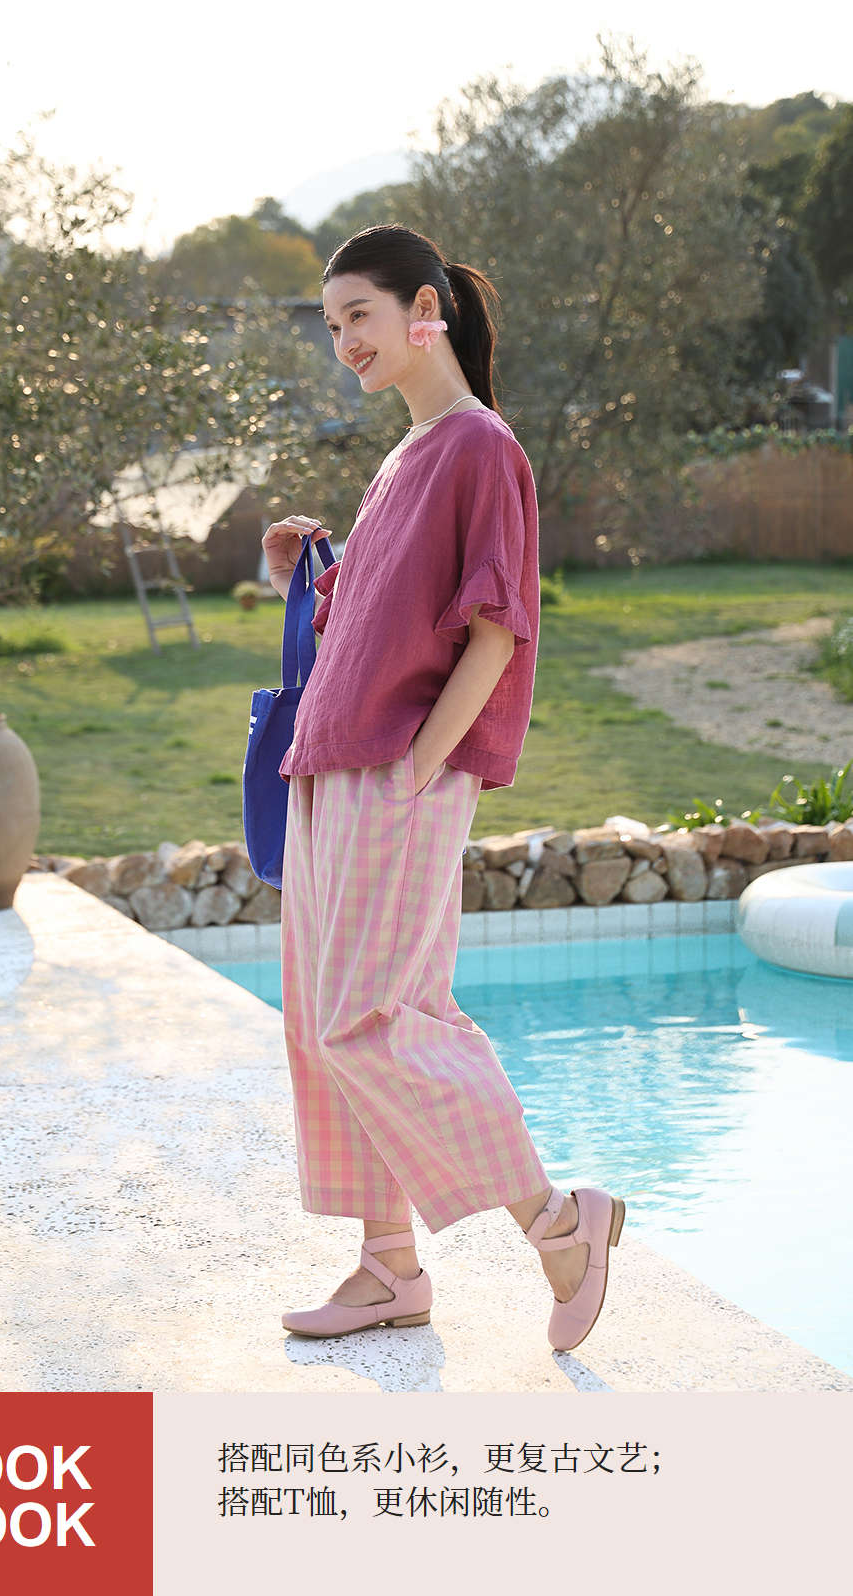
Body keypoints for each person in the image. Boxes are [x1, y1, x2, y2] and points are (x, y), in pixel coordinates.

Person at [261, 223, 624, 1352]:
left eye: (359, 317)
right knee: (325, 1027)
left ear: (425, 309)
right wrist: (303, 577)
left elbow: (497, 630)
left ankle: (558, 1222)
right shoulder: (406, 453)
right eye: (333, 326)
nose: (344, 344)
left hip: (396, 773)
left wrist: (420, 770)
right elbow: (376, 626)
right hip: (331, 766)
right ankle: (388, 1268)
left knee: (374, 1021)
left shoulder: (477, 445)